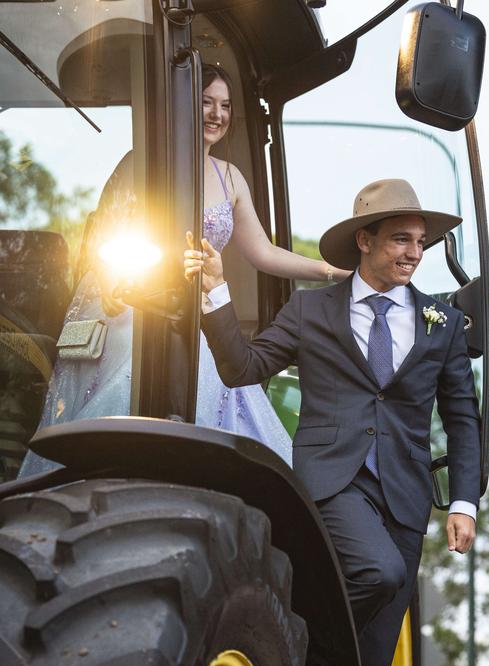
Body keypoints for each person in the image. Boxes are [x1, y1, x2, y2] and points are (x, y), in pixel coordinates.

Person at [185, 177, 480, 666]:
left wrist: (464, 500)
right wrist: (216, 292)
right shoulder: (310, 311)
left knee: (372, 663)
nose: (413, 253)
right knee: (379, 570)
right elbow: (241, 369)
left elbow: (463, 418)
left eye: (420, 242)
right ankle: (288, 640)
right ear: (363, 241)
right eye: (400, 239)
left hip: (405, 495)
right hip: (332, 482)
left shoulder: (443, 324)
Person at [20, 63, 346, 477]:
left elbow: (263, 253)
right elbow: (104, 241)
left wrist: (332, 271)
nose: (217, 114)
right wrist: (119, 283)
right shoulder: (138, 163)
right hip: (135, 306)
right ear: (185, 106)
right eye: (207, 102)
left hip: (201, 313)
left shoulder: (229, 178)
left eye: (225, 106)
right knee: (135, 384)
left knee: (220, 381)